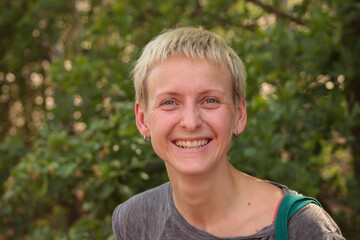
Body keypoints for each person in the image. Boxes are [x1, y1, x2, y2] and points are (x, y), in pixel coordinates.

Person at [112, 27, 344, 240]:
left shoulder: (302, 227)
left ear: (239, 115)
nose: (191, 122)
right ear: (142, 120)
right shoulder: (133, 220)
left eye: (210, 100)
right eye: (170, 102)